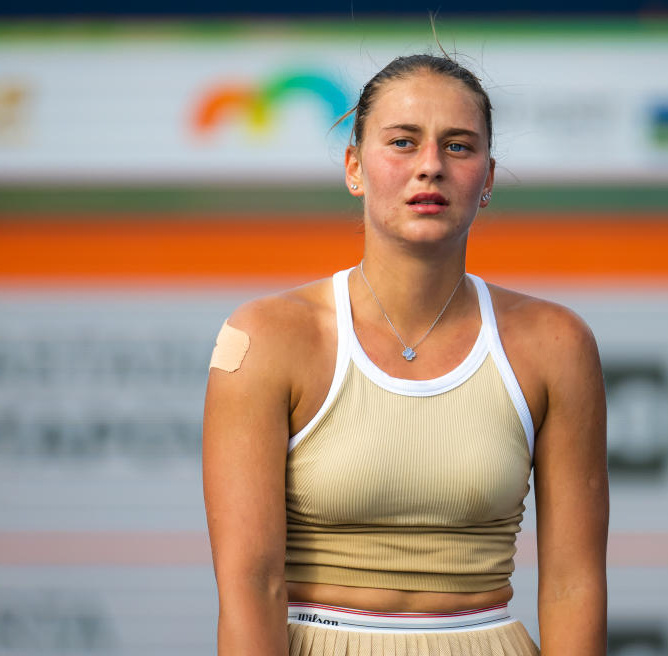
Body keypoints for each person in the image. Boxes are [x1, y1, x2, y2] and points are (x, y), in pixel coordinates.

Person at [202, 53, 608, 655]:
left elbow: (575, 586)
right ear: (354, 167)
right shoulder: (264, 338)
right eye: (402, 142)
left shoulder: (558, 344)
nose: (430, 167)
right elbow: (249, 586)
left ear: (488, 179)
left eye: (459, 147)